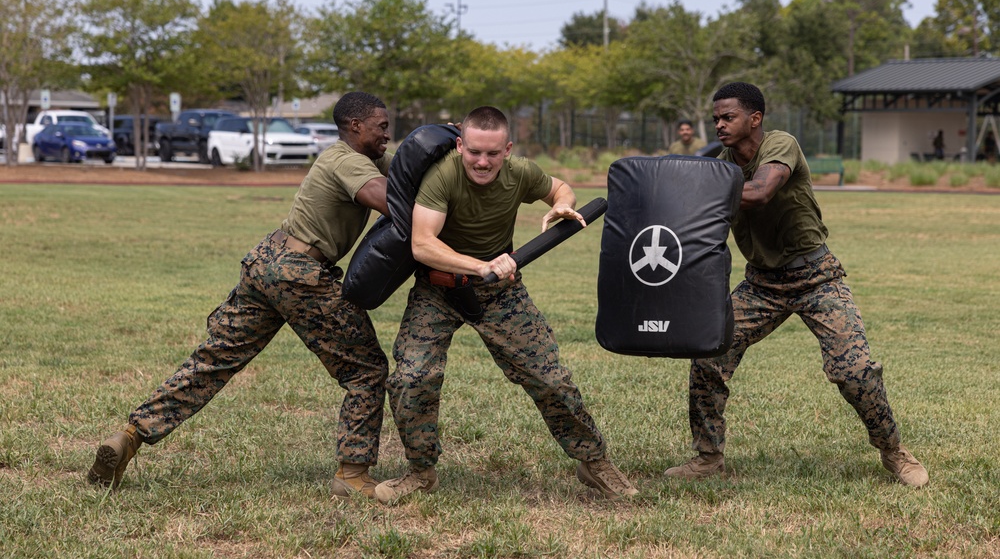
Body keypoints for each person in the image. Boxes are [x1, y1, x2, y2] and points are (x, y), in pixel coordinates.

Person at [88, 91, 393, 499]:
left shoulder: (360, 156)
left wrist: (448, 145)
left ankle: (129, 436)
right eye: (382, 127)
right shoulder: (347, 160)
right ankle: (352, 475)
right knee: (366, 370)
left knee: (213, 361)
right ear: (356, 126)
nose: (387, 134)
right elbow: (390, 200)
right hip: (300, 274)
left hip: (268, 261)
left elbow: (406, 167)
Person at [664, 82, 929, 488]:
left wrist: (698, 189)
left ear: (755, 119)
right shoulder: (719, 166)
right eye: (715, 118)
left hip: (816, 278)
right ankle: (708, 457)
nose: (719, 124)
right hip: (761, 285)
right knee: (708, 358)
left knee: (853, 371)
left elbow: (760, 192)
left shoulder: (780, 144)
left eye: (727, 117)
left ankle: (894, 452)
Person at [375, 106, 637, 504]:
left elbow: (560, 187)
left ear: (507, 150)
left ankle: (593, 461)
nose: (482, 161)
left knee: (550, 378)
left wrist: (562, 203)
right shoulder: (443, 174)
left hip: (501, 292)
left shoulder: (521, 173)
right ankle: (420, 472)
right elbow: (423, 244)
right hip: (440, 289)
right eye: (474, 151)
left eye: (493, 154)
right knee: (412, 378)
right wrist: (481, 266)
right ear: (460, 144)